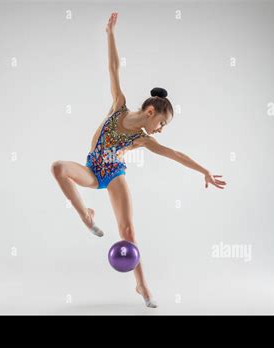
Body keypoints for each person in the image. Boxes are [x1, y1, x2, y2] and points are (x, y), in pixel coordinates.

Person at [51, 12, 227, 308]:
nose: (161, 130)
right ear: (150, 113)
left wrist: (204, 170)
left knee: (128, 230)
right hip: (91, 170)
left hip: (113, 174)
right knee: (58, 168)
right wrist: (110, 34)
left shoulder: (142, 140)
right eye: (162, 123)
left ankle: (142, 286)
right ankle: (86, 216)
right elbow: (113, 67)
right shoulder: (119, 106)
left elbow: (175, 155)